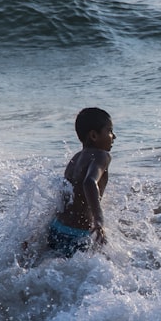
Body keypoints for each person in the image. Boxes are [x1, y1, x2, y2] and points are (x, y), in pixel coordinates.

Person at [47, 107, 114, 257]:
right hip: (78, 234)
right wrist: (98, 220)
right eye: (109, 131)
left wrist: (39, 233)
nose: (113, 136)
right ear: (94, 135)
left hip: (57, 228)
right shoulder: (102, 156)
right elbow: (89, 183)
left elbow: (64, 197)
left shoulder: (75, 159)